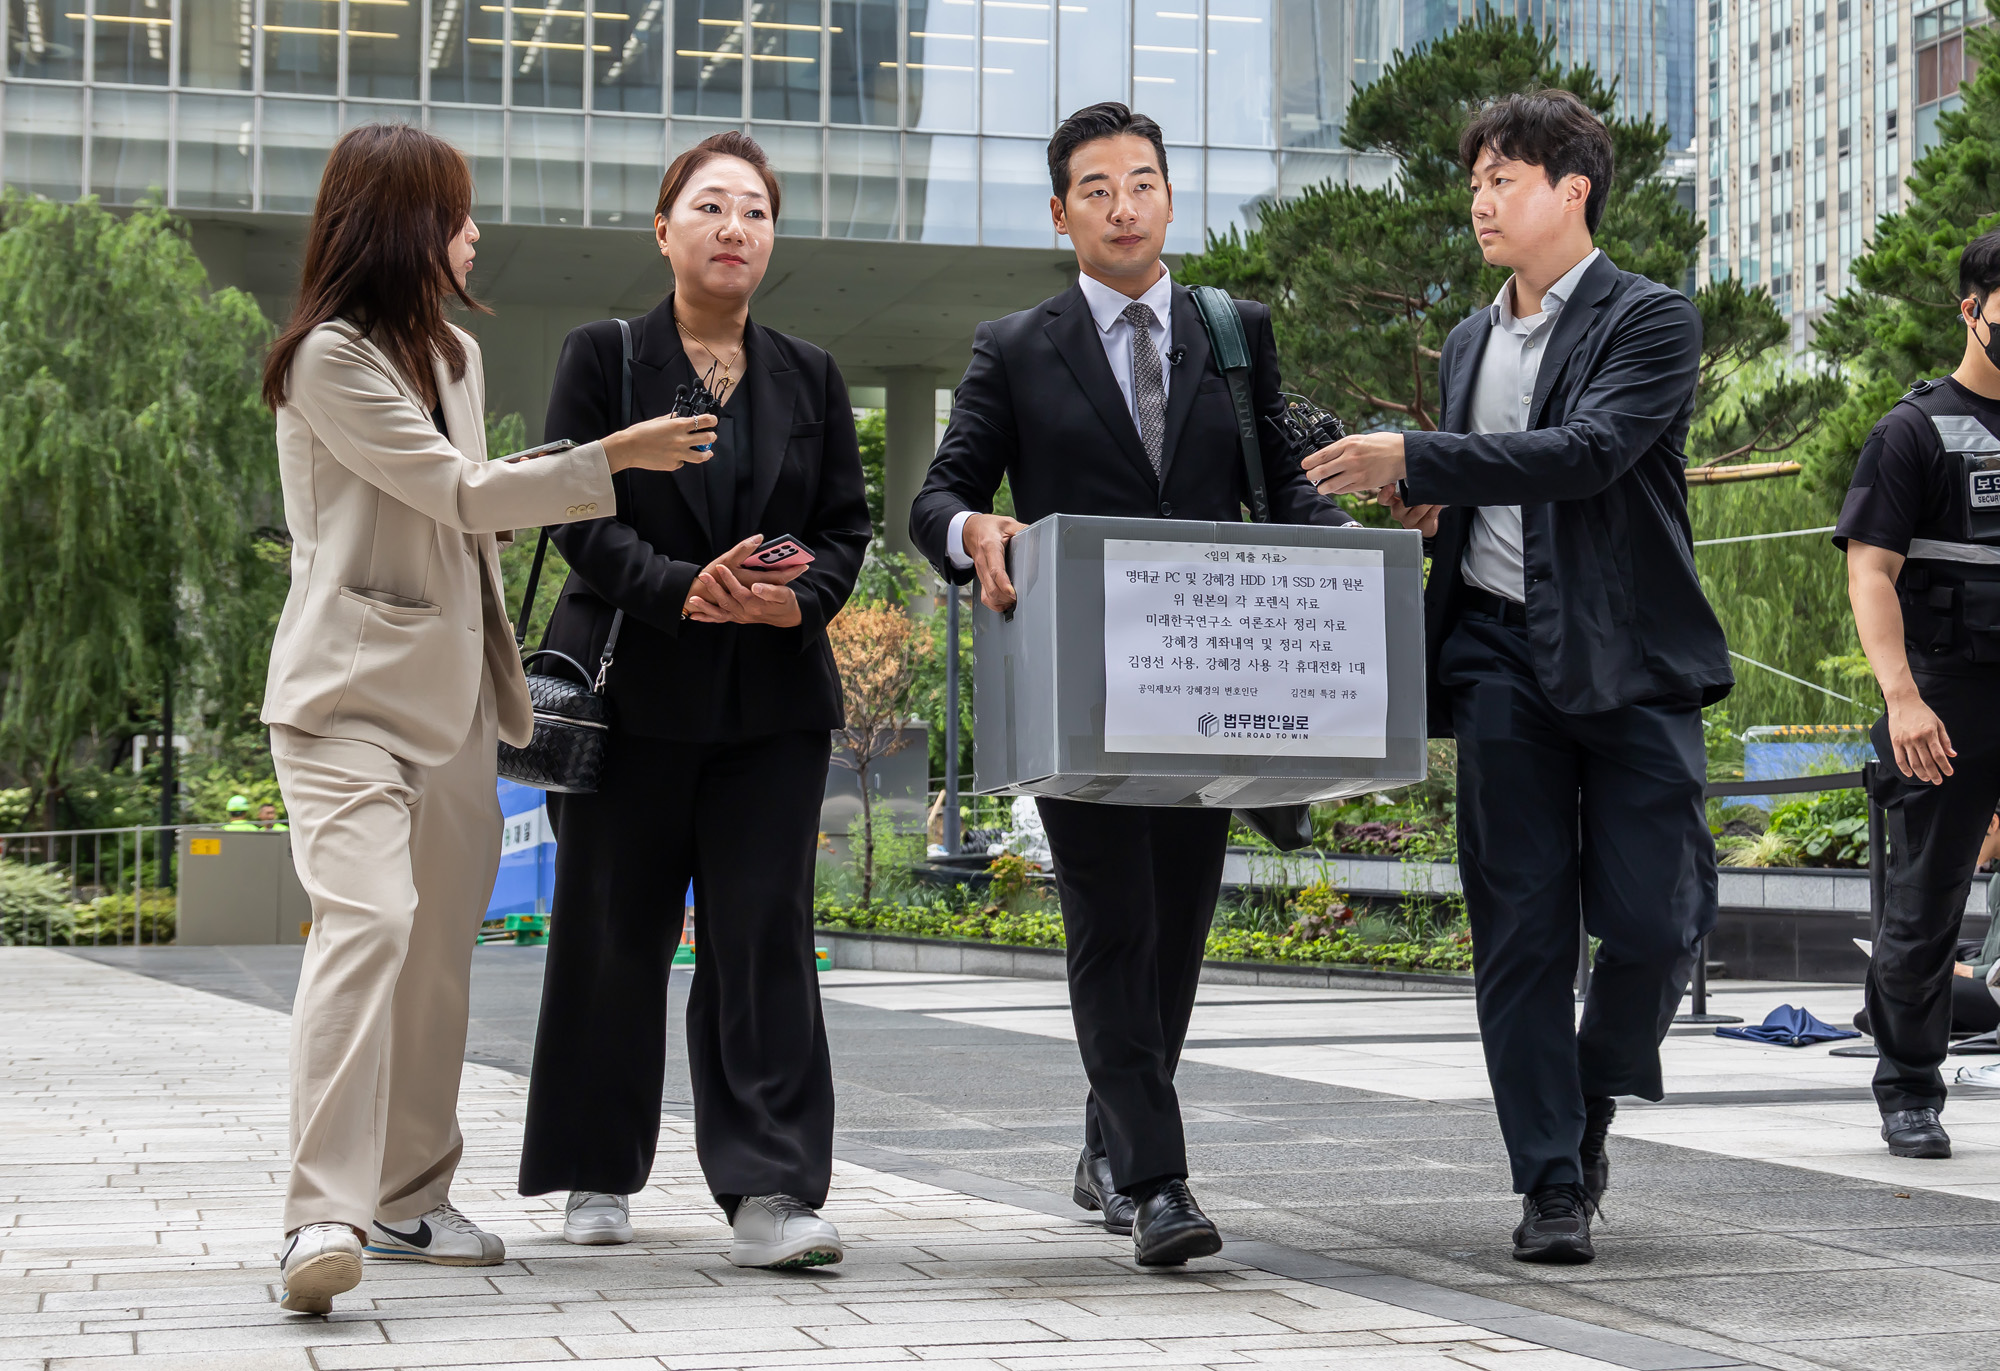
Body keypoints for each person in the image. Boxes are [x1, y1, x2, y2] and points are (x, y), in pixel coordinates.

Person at [259, 123, 706, 1315]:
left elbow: (467, 519)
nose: (474, 235)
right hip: (345, 700)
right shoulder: (329, 359)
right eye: (457, 215)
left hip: (454, 702)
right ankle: (319, 1216)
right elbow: (452, 490)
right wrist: (608, 458)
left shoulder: (453, 353)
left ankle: (409, 1194)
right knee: (370, 926)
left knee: (438, 961)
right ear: (403, 223)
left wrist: (535, 493)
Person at [908, 102, 1350, 1268]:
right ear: (1059, 214)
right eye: (1095, 188)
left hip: (1209, 682)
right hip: (1083, 687)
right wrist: (974, 532)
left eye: (1141, 182)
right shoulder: (1015, 345)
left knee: (1174, 941)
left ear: (1169, 199)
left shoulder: (1230, 329)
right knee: (1112, 928)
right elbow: (937, 495)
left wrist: (1351, 550)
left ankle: (1109, 1139)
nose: (1121, 204)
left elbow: (1279, 485)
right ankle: (1157, 1184)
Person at [1304, 90, 1732, 1264]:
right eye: (1475, 181)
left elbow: (1588, 455)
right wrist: (1427, 496)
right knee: (1521, 936)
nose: (1480, 201)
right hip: (1495, 655)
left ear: (1570, 190)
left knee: (1654, 923)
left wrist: (1421, 452)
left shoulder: (1650, 321)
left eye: (1501, 178)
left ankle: (1585, 1104)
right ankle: (1547, 1179)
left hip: (1627, 656)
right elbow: (1491, 482)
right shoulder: (1465, 340)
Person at [517, 131, 871, 1270]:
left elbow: (842, 527)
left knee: (762, 942)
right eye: (710, 207)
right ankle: (593, 1168)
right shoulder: (606, 353)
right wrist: (685, 587)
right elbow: (570, 507)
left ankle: (771, 1189)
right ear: (662, 229)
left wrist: (794, 598)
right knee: (610, 935)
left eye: (756, 212)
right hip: (630, 690)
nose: (734, 229)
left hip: (770, 702)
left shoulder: (808, 371)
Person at [1837, 228, 2000, 1159]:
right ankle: (1907, 1087)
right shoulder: (1913, 432)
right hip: (1944, 695)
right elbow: (1871, 574)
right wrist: (1901, 697)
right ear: (1970, 309)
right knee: (1927, 900)